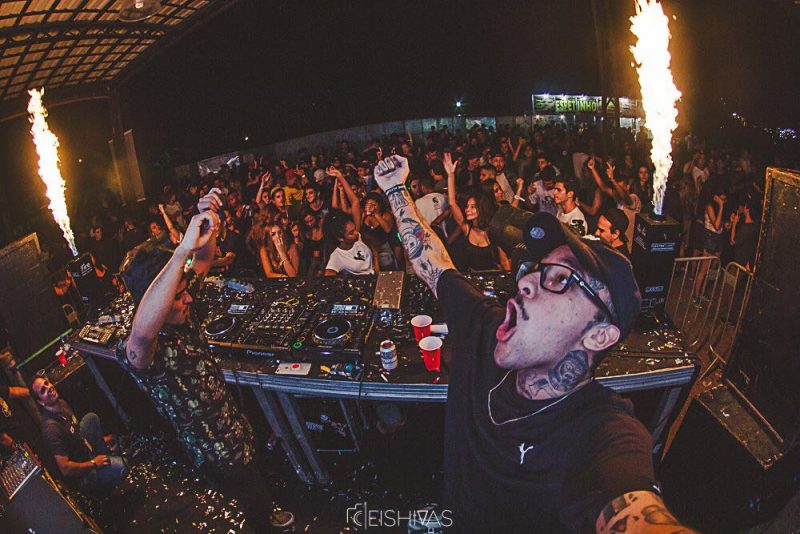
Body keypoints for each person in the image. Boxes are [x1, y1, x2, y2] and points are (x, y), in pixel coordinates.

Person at [374, 154, 696, 533]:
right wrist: (394, 188)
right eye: (538, 269)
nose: (526, 281)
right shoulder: (488, 329)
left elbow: (638, 511)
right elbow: (433, 262)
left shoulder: (603, 435)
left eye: (559, 279)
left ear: (599, 334)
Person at [119, 189, 293, 530]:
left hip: (232, 423)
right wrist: (180, 250)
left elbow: (201, 262)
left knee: (255, 475)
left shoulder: (181, 306)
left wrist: (208, 223)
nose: (187, 298)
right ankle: (264, 524)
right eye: (178, 295)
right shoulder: (140, 348)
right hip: (212, 446)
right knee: (249, 494)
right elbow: (142, 333)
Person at [29, 374, 126, 492]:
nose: (48, 388)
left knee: (91, 418)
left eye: (46, 383)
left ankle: (103, 457)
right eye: (43, 390)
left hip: (83, 452)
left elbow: (76, 431)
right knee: (123, 466)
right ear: (41, 402)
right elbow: (65, 469)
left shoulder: (61, 404)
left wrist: (101, 439)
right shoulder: (51, 429)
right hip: (81, 475)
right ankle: (103, 486)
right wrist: (94, 463)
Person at [444, 153, 510, 272]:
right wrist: (451, 175)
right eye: (467, 206)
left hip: (493, 277)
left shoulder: (493, 231)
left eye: (473, 207)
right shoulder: (466, 228)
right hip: (473, 278)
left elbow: (504, 262)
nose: (467, 209)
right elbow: (452, 203)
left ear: (481, 208)